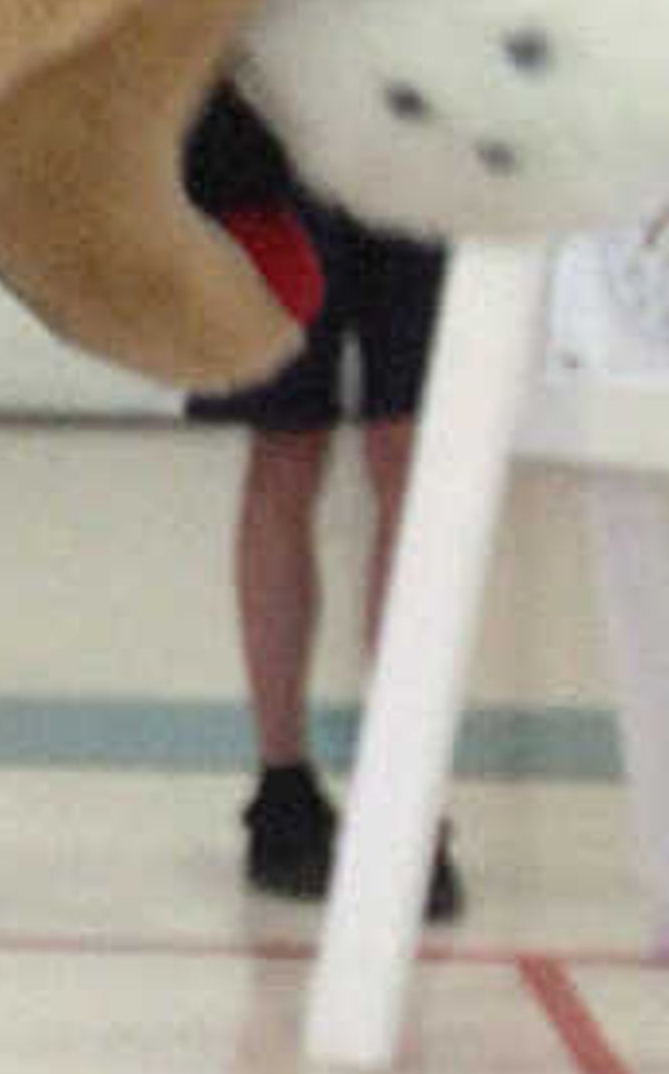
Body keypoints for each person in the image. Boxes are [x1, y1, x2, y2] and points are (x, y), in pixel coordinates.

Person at [181, 87, 465, 922]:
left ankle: (406, 790)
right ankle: (282, 785)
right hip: (278, 117)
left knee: (410, 455)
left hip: (428, 125)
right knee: (286, 444)